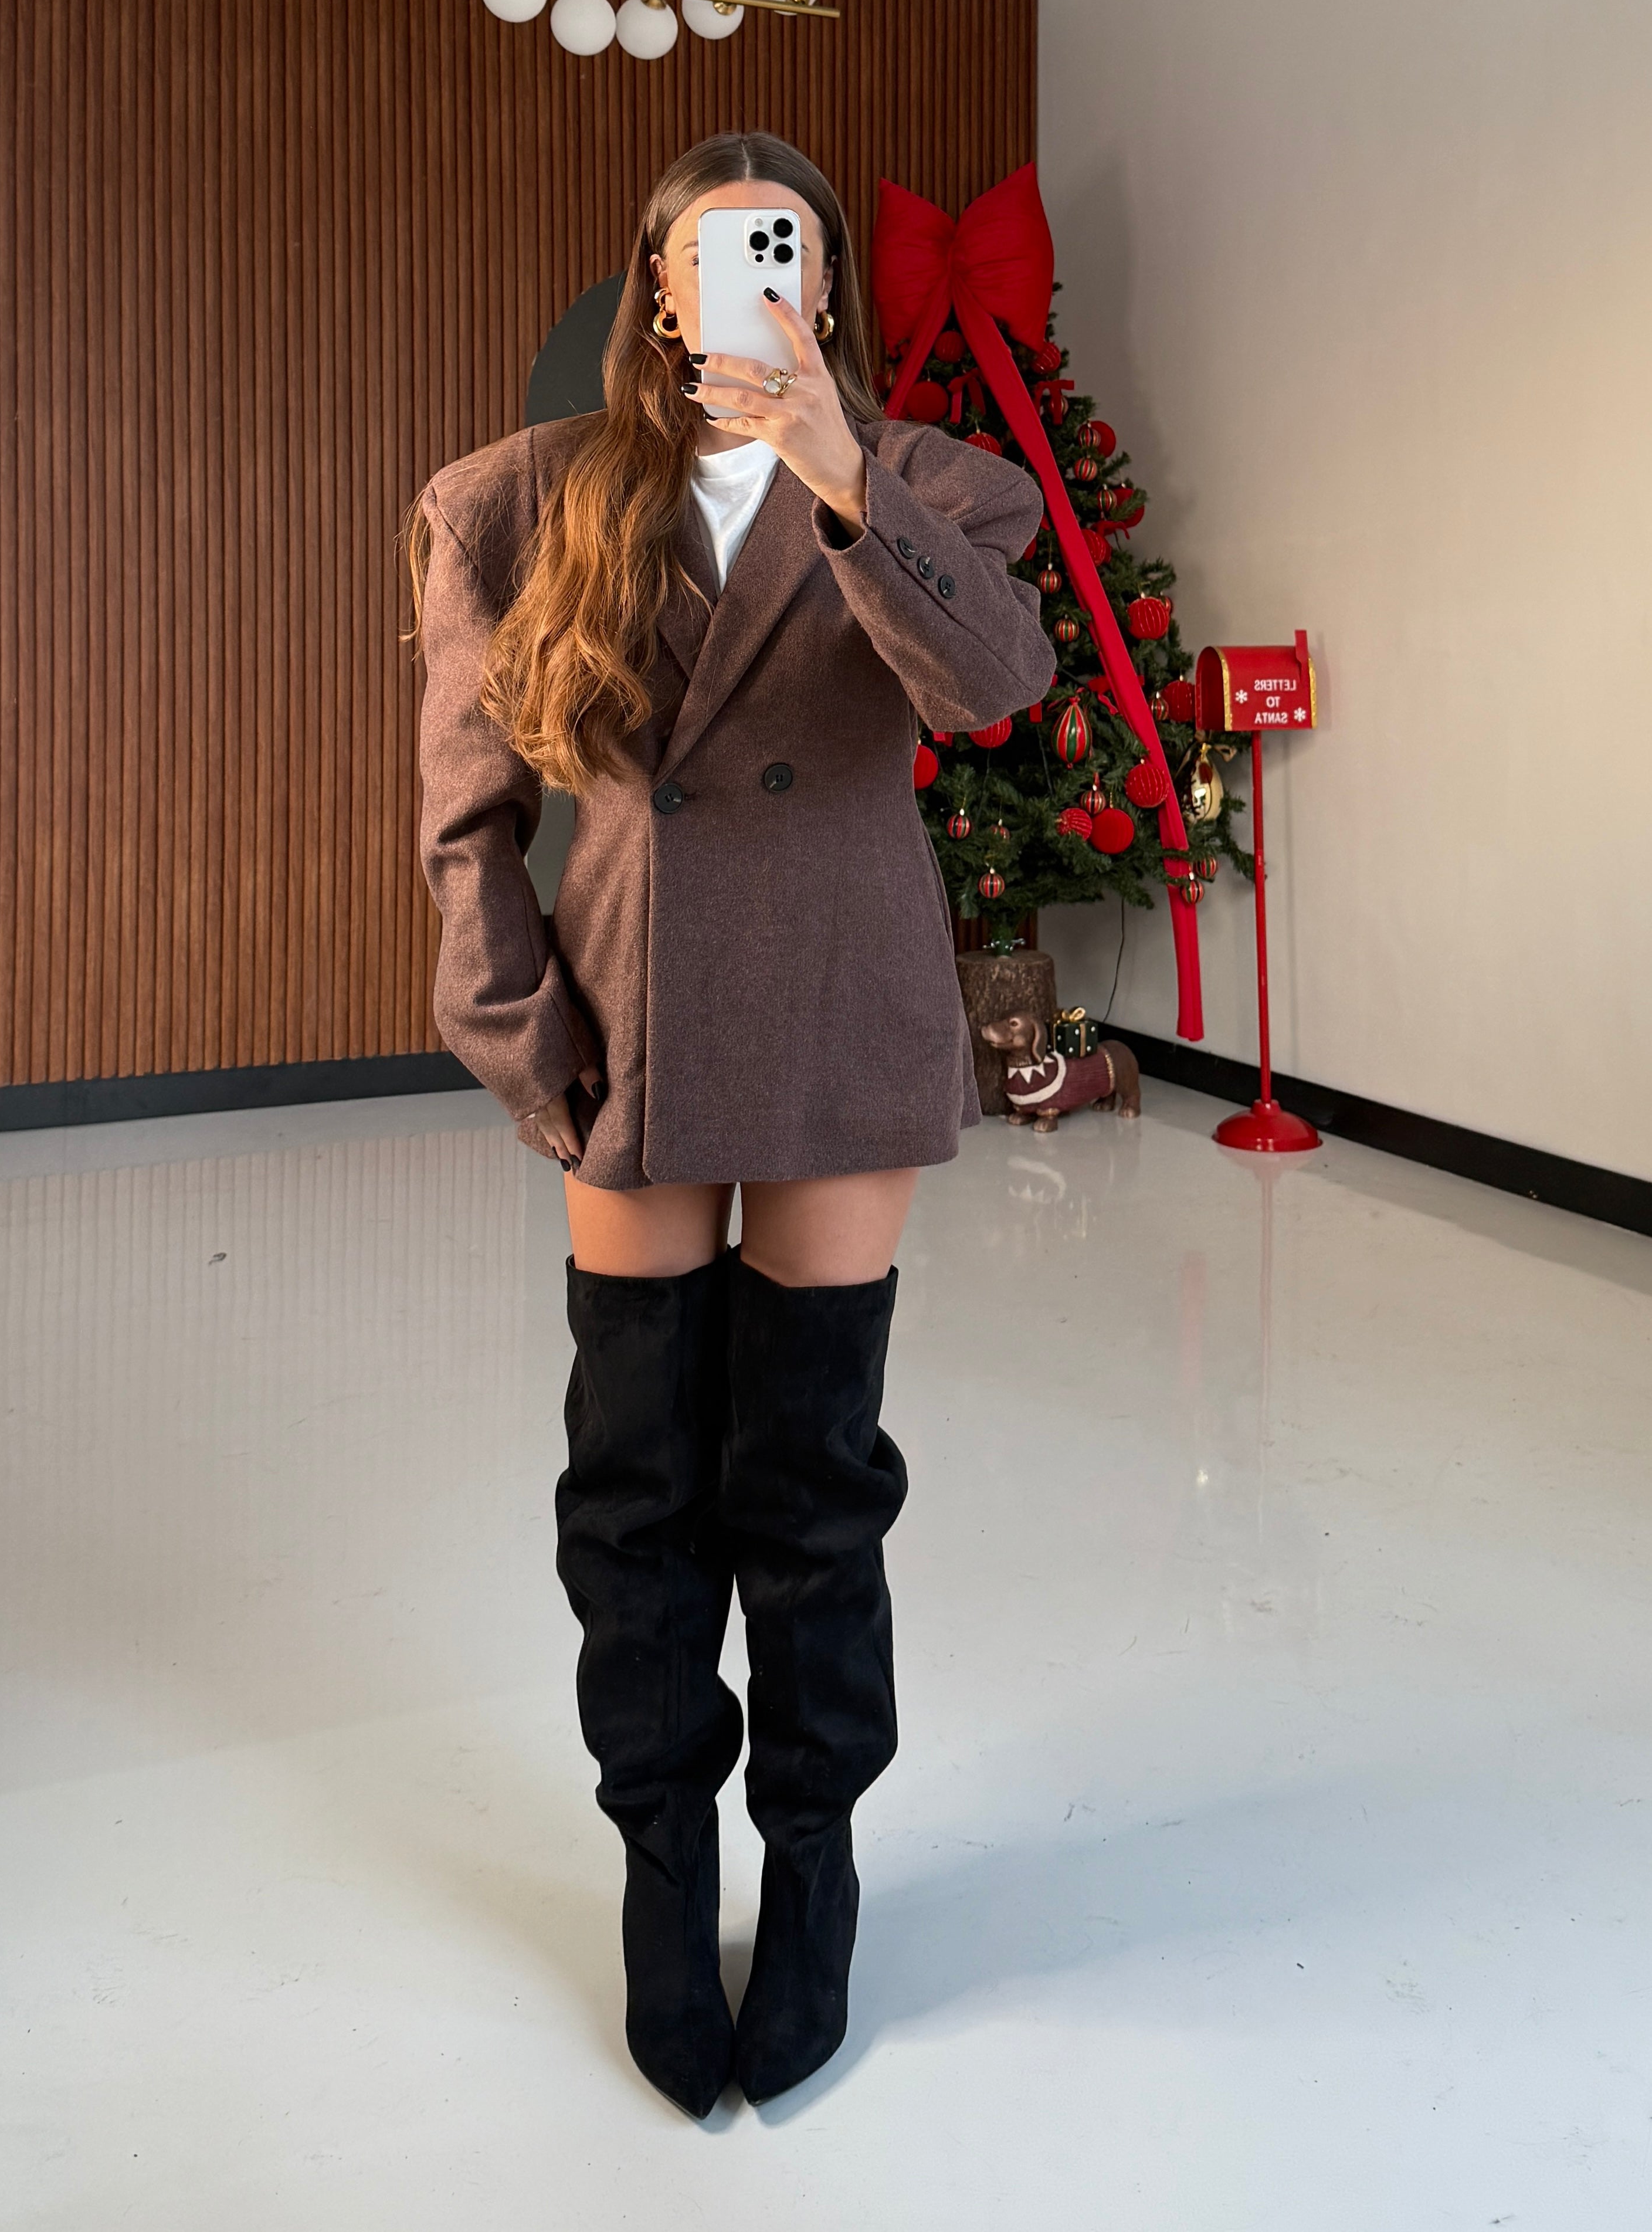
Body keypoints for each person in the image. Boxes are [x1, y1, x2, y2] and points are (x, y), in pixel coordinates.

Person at [408, 132, 1055, 2114]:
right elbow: (466, 812)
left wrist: (843, 472)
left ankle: (816, 1853)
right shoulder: (515, 498)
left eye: (784, 252)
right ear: (657, 291)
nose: (749, 282)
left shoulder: (939, 485)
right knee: (633, 1481)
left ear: (825, 285)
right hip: (637, 1019)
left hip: (841, 1007)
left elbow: (992, 691)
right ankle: (662, 1853)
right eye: (708, 257)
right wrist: (516, 1025)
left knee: (810, 1479)